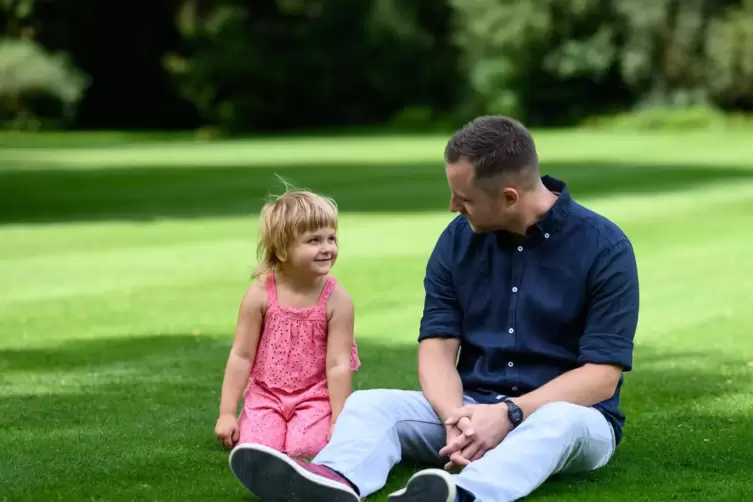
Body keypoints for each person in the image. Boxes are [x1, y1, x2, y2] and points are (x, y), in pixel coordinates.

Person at [225, 115, 640, 502]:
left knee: (559, 421)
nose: (452, 206)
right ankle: (333, 480)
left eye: (464, 198)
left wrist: (509, 414)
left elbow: (600, 377)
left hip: (570, 419)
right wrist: (454, 417)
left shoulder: (605, 248)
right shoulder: (456, 241)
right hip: (469, 408)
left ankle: (463, 494)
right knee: (370, 405)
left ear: (509, 197)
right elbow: (437, 347)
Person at [214, 187, 361, 467]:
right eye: (314, 240)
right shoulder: (260, 294)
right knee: (257, 450)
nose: (327, 248)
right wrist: (226, 413)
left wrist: (340, 420)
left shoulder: (337, 300)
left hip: (314, 397)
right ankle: (259, 425)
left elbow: (338, 364)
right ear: (282, 249)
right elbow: (241, 355)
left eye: (331, 238)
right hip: (265, 394)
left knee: (306, 448)